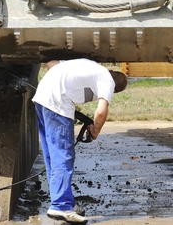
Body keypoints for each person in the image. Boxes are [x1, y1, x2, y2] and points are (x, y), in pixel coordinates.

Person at [32, 58, 128, 223]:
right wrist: (95, 131)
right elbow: (101, 112)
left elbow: (52, 64)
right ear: (115, 88)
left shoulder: (90, 67)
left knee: (52, 157)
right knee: (63, 156)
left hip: (41, 100)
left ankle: (62, 201)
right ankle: (61, 206)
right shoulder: (107, 80)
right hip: (57, 104)